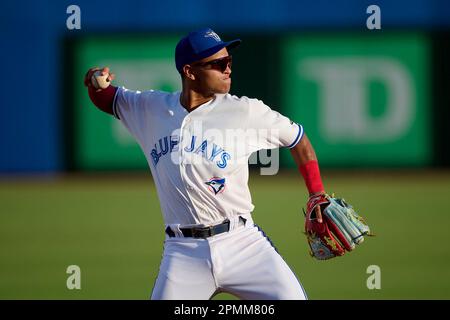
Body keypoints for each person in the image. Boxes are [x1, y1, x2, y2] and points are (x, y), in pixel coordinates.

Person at [84, 27, 327, 300]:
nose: (228, 69)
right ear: (190, 71)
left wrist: (316, 192)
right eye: (218, 63)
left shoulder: (246, 111)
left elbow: (298, 139)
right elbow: (107, 97)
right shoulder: (150, 108)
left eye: (229, 62)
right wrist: (94, 78)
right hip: (182, 252)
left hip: (243, 243)